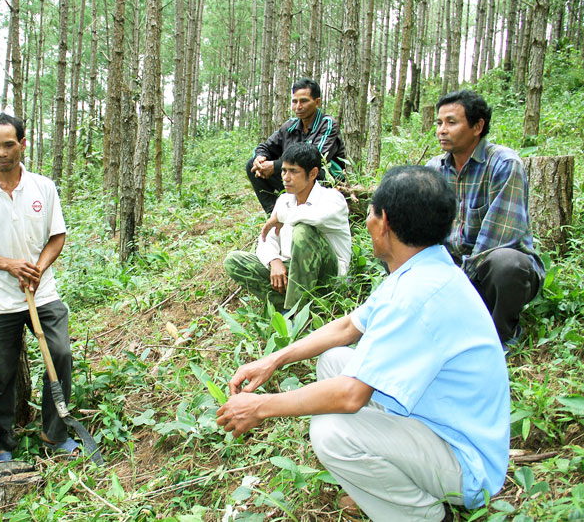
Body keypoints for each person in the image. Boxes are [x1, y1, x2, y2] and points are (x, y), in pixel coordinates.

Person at [217, 166, 510, 521]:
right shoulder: (423, 267)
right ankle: (383, 486)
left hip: (465, 461)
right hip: (435, 419)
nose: (367, 220)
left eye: (370, 212)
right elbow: (346, 327)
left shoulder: (415, 296)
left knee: (331, 431)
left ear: (384, 222)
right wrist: (274, 360)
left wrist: (260, 406)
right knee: (334, 361)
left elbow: (350, 396)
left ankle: (427, 516)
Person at [0, 113, 77, 464]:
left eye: (9, 144)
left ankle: (55, 432)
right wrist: (8, 264)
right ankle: (2, 444)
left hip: (43, 293)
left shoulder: (42, 187)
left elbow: (57, 235)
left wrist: (38, 267)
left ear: (23, 143)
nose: (2, 152)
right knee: (0, 374)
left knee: (61, 354)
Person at [427, 90, 544, 344]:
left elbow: (498, 239)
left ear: (477, 126)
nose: (442, 130)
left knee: (506, 263)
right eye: (439, 123)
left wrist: (454, 282)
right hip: (452, 267)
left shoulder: (504, 164)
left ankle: (501, 333)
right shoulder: (434, 169)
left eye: (451, 122)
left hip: (489, 267)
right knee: (398, 245)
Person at [225, 143, 351, 312]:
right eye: (284, 170)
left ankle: (295, 312)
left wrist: (280, 216)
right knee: (234, 261)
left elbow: (315, 216)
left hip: (327, 276)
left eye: (293, 171)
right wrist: (274, 261)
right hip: (290, 270)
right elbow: (266, 240)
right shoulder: (284, 200)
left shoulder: (332, 198)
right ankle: (305, 305)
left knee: (303, 230)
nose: (285, 177)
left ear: (313, 173)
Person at [247, 78, 346, 214]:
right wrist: (260, 158)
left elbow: (313, 158)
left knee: (310, 169)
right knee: (251, 165)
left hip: (324, 180)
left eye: (304, 101)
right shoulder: (290, 125)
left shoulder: (327, 124)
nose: (298, 106)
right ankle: (275, 213)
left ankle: (301, 212)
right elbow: (265, 146)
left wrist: (275, 166)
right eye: (295, 101)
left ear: (317, 102)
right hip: (296, 176)